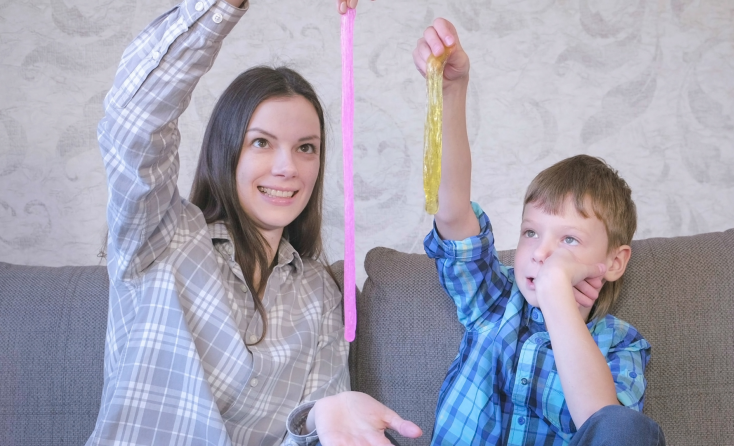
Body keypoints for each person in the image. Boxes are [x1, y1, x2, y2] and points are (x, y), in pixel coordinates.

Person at [88, 0, 422, 444]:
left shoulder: (320, 295)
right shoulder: (163, 236)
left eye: (306, 148)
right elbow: (132, 124)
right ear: (226, 151)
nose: (288, 168)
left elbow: (314, 430)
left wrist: (322, 417)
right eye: (262, 142)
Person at [412, 18, 666, 445]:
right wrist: (452, 90)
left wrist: (557, 300)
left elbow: (604, 428)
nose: (540, 252)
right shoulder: (494, 303)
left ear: (615, 261)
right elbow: (451, 211)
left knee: (626, 429)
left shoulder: (621, 346)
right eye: (531, 232)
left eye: (568, 240)